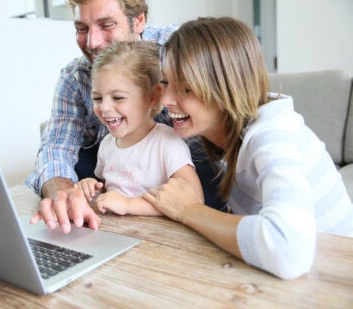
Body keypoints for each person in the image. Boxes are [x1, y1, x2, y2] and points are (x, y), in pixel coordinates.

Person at [142, 17, 353, 279]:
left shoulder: (273, 134)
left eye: (185, 87)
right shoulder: (219, 137)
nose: (165, 99)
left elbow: (288, 251)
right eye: (165, 82)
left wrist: (189, 211)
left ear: (225, 87)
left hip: (335, 276)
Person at [27, 0, 224, 233]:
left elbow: (239, 89)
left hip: (192, 193)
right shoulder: (76, 77)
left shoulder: (182, 48)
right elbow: (57, 147)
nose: (92, 42)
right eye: (81, 28)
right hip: (120, 219)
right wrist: (69, 191)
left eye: (107, 25)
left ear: (139, 20)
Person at [77, 40, 202, 216]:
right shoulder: (107, 144)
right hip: (119, 235)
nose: (104, 107)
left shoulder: (167, 143)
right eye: (97, 98)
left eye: (118, 97)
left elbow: (194, 199)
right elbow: (111, 190)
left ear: (152, 97)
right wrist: (93, 188)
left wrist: (129, 205)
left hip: (159, 239)